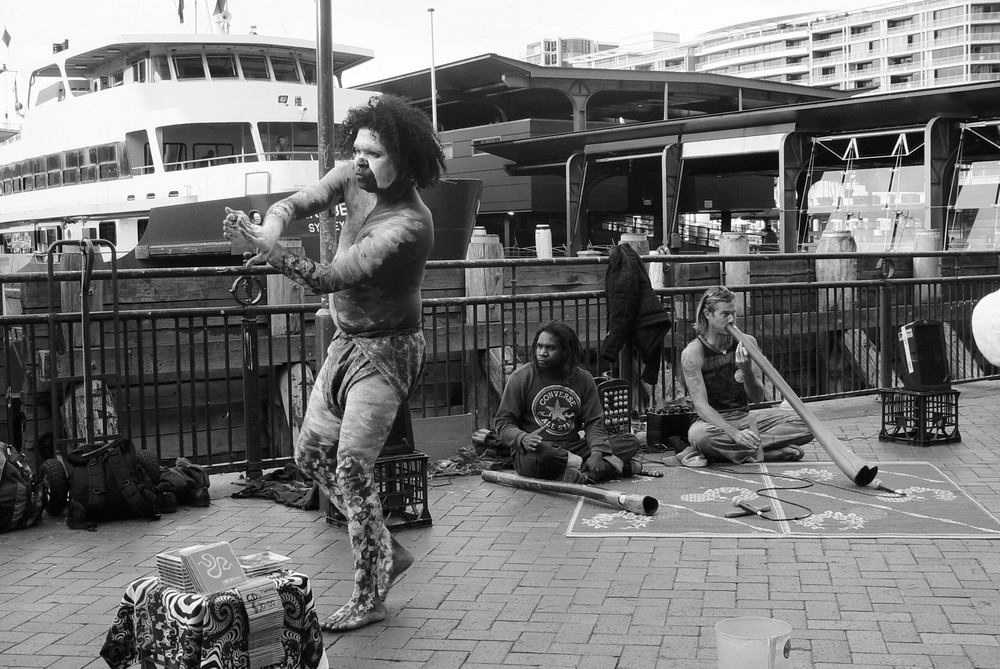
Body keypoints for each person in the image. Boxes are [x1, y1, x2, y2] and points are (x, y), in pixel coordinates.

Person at [222, 94, 445, 633]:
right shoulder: (353, 175)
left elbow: (331, 277)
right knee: (311, 455)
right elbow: (293, 206)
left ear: (407, 162)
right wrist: (266, 232)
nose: (360, 161)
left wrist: (273, 255)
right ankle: (387, 549)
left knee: (350, 466)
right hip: (347, 341)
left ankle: (370, 593)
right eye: (358, 149)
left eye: (374, 153)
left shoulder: (409, 226)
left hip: (389, 353)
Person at [678, 286, 813, 467]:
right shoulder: (693, 352)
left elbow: (757, 398)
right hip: (713, 423)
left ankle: (732, 453)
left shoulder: (747, 342)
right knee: (699, 436)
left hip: (745, 418)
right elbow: (701, 407)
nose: (732, 319)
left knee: (808, 424)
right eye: (725, 314)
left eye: (734, 313)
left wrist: (747, 370)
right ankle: (766, 452)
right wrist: (734, 434)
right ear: (707, 314)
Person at [494, 321, 642, 483]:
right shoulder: (520, 378)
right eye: (539, 346)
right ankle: (600, 469)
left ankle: (579, 475)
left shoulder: (584, 378)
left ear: (566, 351)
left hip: (573, 446)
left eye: (550, 348)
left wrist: (597, 452)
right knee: (545, 453)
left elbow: (594, 422)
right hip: (537, 450)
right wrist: (522, 438)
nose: (542, 353)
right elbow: (503, 423)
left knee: (629, 442)